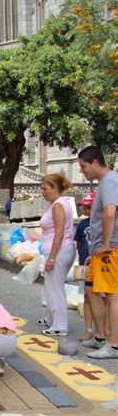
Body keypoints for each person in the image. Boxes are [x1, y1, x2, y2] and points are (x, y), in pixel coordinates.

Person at [78, 146, 118, 359]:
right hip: (98, 249)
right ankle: (100, 336)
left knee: (112, 295)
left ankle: (114, 345)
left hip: (110, 248)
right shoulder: (105, 182)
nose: (82, 171)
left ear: (95, 162)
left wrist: (104, 243)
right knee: (91, 289)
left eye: (83, 166)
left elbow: (110, 212)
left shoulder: (111, 180)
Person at [37, 173, 75, 337]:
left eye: (45, 188)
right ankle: (51, 318)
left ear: (55, 187)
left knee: (55, 289)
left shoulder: (58, 205)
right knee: (51, 286)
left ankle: (60, 325)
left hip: (59, 251)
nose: (42, 192)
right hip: (59, 250)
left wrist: (52, 258)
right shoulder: (57, 203)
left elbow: (59, 234)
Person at [74, 192, 94, 342]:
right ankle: (88, 329)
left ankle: (105, 329)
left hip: (99, 264)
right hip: (84, 263)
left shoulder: (104, 223)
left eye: (90, 207)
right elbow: (78, 242)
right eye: (85, 208)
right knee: (87, 296)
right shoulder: (82, 224)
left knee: (104, 298)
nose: (87, 211)